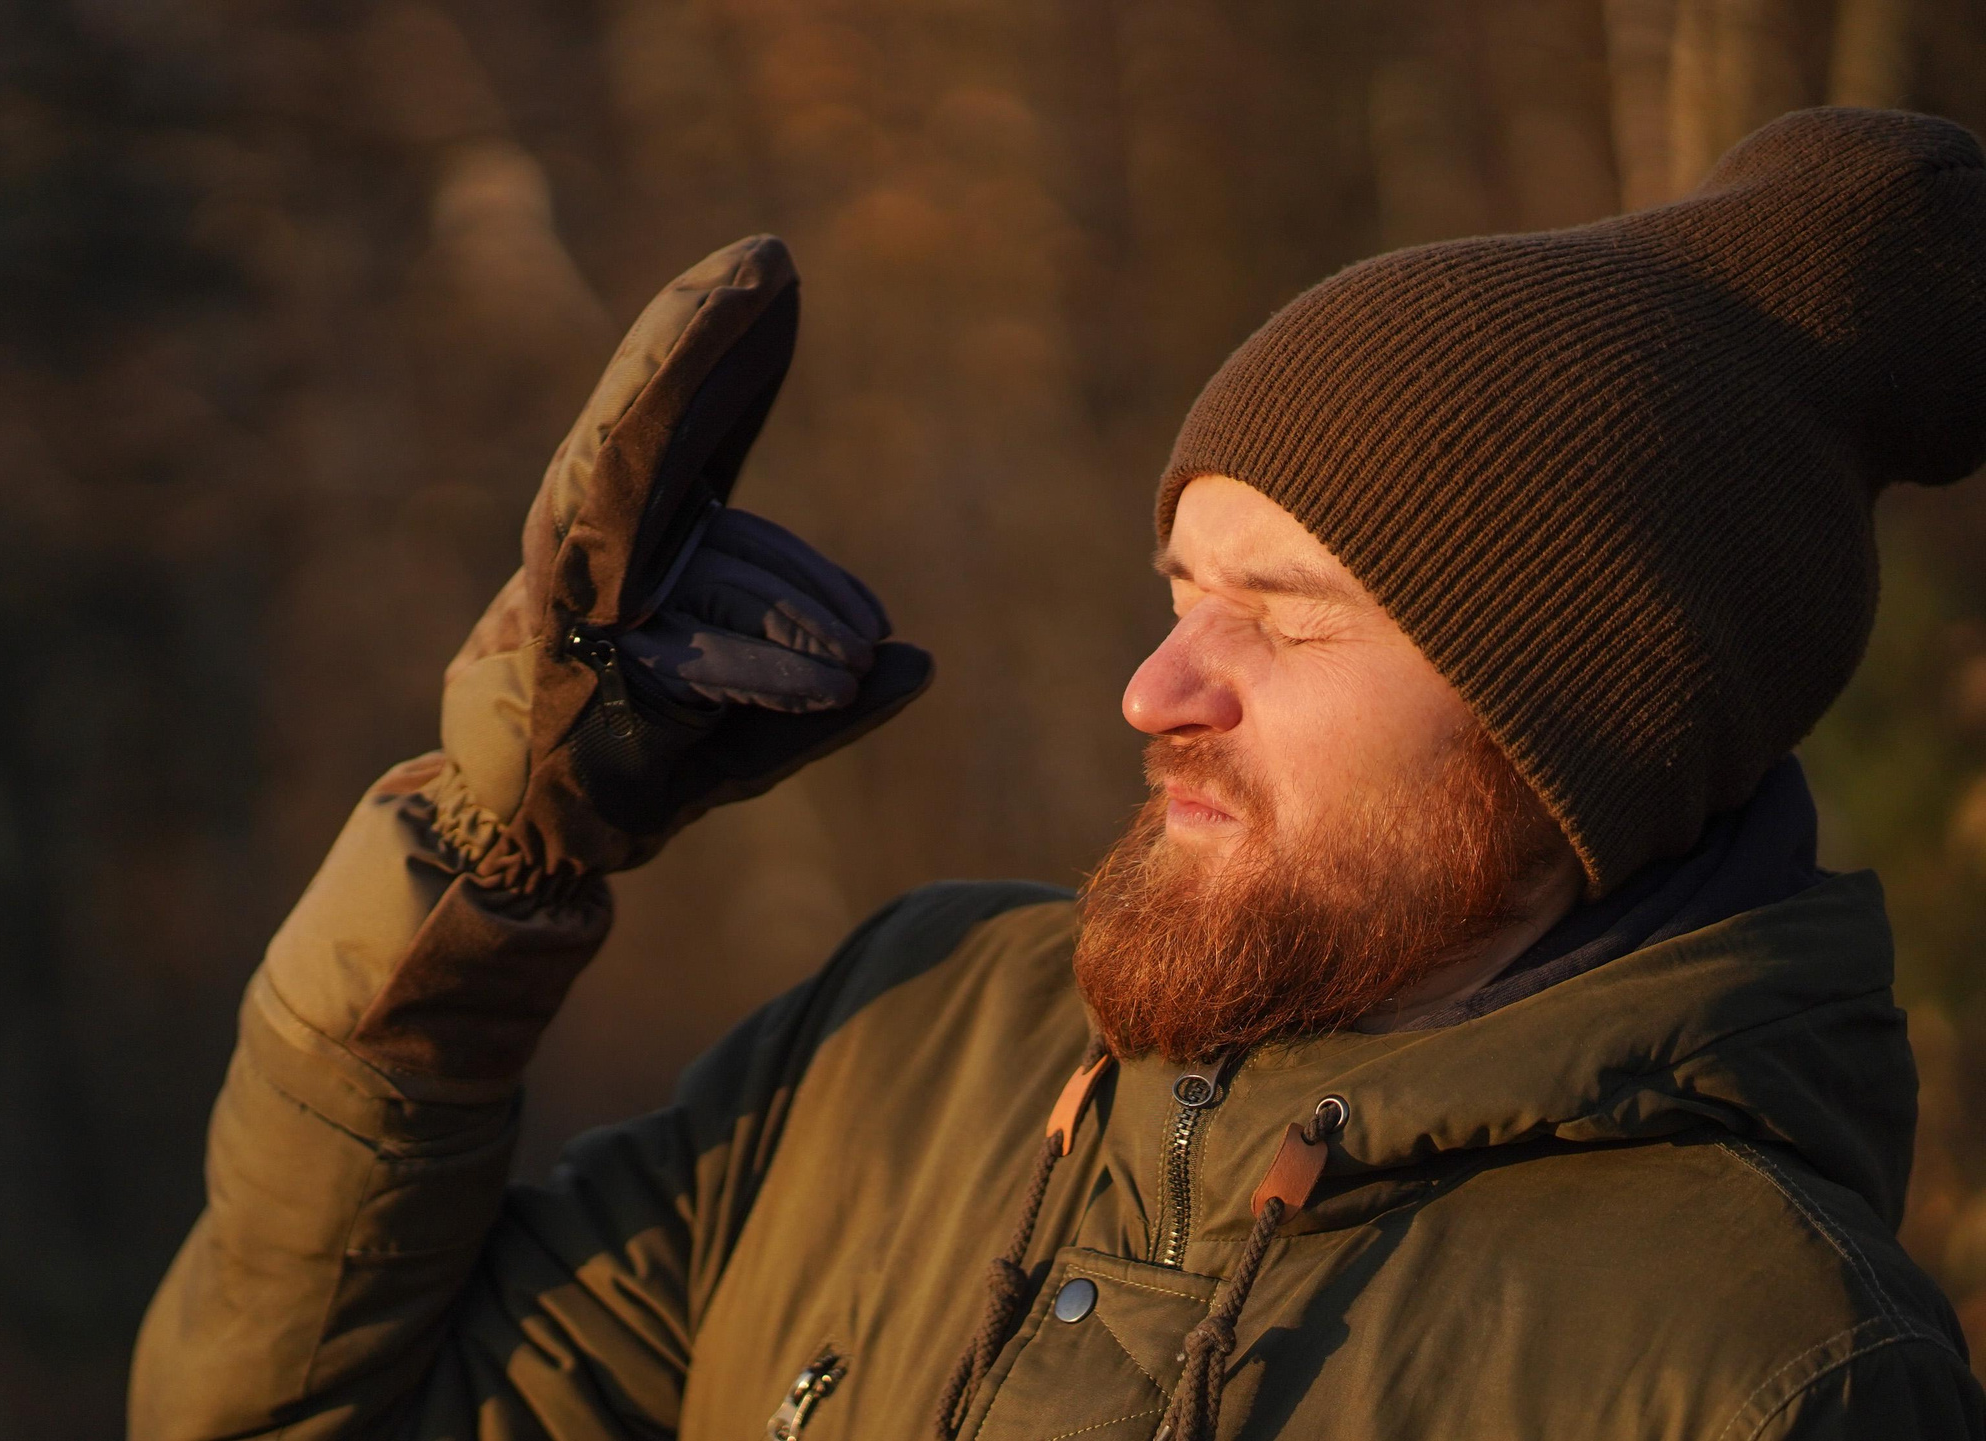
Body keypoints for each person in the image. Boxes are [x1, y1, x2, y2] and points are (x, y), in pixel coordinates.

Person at [129, 107, 1986, 1440]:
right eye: (1179, 589)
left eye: (1290, 613)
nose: (1156, 684)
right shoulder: (905, 1042)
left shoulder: (1760, 1366)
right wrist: (490, 864)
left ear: (1588, 721)